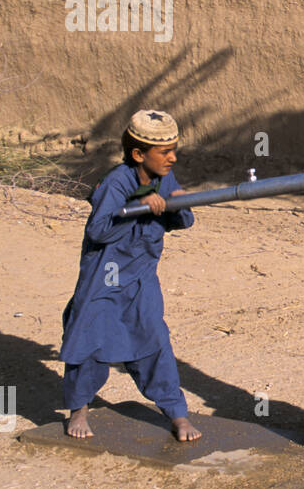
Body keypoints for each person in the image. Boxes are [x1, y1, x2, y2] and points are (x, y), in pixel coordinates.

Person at [60, 110, 201, 442]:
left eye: (174, 150)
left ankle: (177, 414)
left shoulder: (165, 178)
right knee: (90, 342)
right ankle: (79, 409)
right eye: (165, 153)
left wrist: (178, 204)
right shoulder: (117, 181)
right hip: (104, 278)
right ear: (139, 154)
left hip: (141, 279)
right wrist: (137, 200)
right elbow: (98, 229)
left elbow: (184, 222)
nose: (173, 158)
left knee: (153, 340)